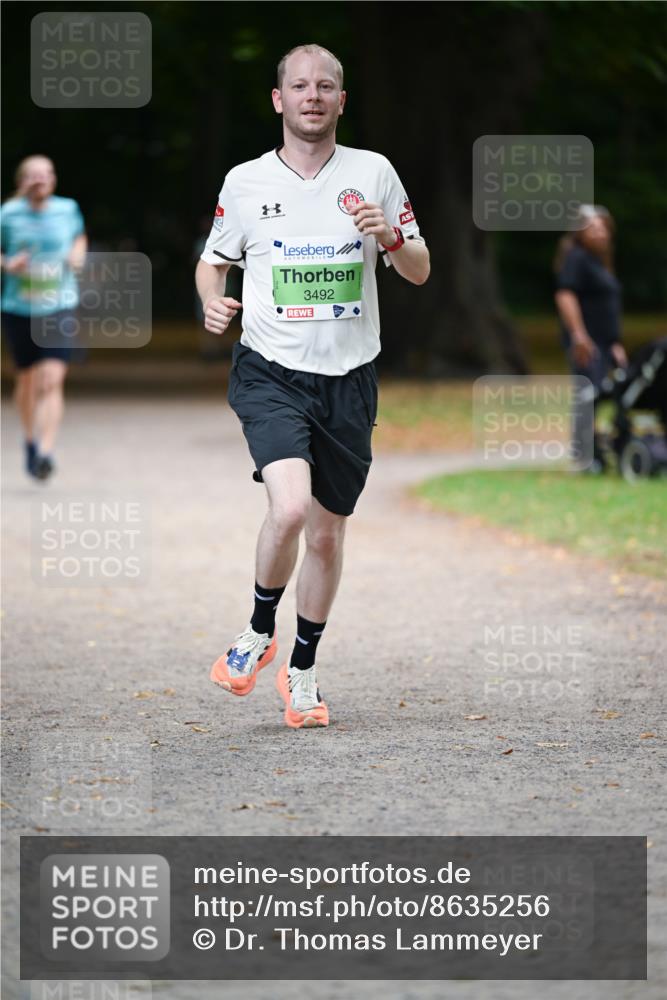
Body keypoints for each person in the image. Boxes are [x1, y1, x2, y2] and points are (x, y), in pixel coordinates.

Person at [195, 43, 430, 729]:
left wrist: (389, 237)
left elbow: (417, 270)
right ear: (279, 100)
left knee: (326, 536)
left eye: (325, 86)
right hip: (270, 371)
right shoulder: (244, 182)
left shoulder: (373, 173)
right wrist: (212, 301)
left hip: (349, 380)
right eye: (298, 86)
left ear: (340, 100)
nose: (312, 96)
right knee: (290, 508)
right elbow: (213, 263)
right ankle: (256, 632)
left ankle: (302, 672)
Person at [1, 155, 87, 480]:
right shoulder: (8, 214)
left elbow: (79, 236)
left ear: (53, 179)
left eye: (46, 174)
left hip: (59, 303)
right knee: (28, 381)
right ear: (22, 181)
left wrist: (77, 253)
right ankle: (30, 441)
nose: (41, 179)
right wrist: (8, 263)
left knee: (52, 378)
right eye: (34, 175)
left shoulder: (67, 209)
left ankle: (46, 452)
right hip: (18, 306)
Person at [554, 204, 627, 472]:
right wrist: (579, 335)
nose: (600, 233)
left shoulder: (599, 263)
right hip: (588, 343)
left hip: (605, 343)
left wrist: (615, 342)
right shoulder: (577, 258)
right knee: (587, 394)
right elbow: (565, 295)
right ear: (580, 232)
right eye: (592, 227)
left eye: (603, 227)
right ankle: (583, 455)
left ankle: (600, 449)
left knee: (605, 394)